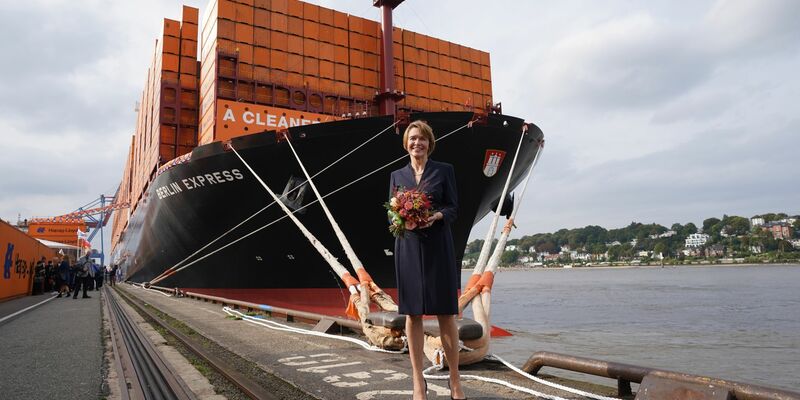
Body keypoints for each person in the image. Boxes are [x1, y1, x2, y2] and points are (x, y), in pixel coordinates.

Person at [389, 120, 465, 400]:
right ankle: (418, 382)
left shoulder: (444, 171)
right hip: (407, 246)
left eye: (421, 139)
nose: (416, 143)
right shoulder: (397, 175)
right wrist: (399, 218)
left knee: (445, 312)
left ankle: (455, 381)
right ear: (406, 143)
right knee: (413, 313)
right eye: (412, 139)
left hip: (438, 246)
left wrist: (436, 216)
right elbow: (390, 212)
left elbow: (454, 207)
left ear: (429, 143)